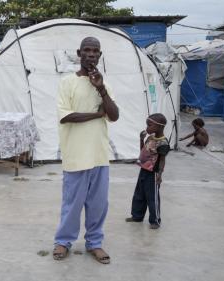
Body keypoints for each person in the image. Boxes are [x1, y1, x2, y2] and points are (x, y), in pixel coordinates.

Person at [53, 37, 119, 264]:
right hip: (76, 155)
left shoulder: (104, 85)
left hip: (99, 155)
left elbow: (114, 115)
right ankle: (63, 241)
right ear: (79, 53)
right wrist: (97, 114)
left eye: (95, 51)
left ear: (100, 55)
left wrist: (100, 89)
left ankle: (95, 243)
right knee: (72, 204)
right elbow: (67, 116)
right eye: (87, 50)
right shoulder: (67, 82)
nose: (91, 54)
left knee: (99, 205)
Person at [126, 113, 170, 229]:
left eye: (150, 125)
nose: (147, 128)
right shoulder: (150, 138)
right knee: (139, 194)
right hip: (144, 169)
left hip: (153, 173)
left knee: (152, 197)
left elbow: (162, 160)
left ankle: (155, 220)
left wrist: (160, 175)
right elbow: (143, 150)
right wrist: (141, 139)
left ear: (160, 127)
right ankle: (137, 216)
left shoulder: (163, 143)